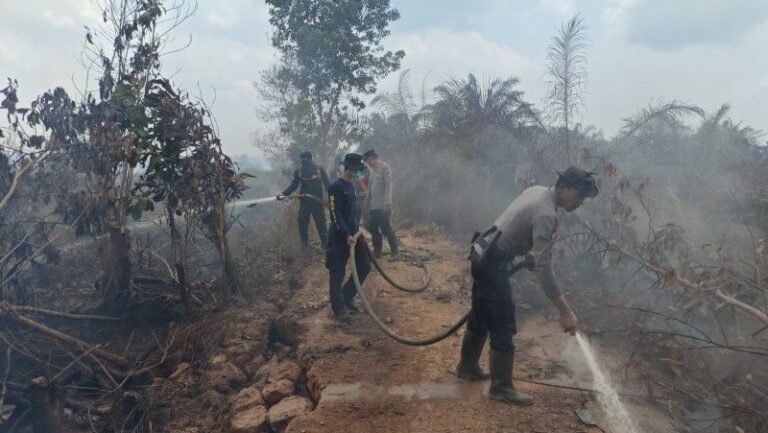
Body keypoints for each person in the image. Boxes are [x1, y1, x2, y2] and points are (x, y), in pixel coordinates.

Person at [454, 167, 599, 406]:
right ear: (563, 187)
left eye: (583, 198)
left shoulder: (537, 191)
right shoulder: (546, 214)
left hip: (482, 253)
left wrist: (526, 252)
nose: (580, 202)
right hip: (493, 263)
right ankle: (501, 387)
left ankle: (467, 366)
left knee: (481, 313)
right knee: (503, 323)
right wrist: (565, 311)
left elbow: (516, 226)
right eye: (578, 195)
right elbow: (544, 268)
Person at [326, 153, 371, 322]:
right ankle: (338, 309)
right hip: (339, 237)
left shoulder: (352, 186)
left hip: (354, 234)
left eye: (360, 170)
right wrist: (345, 234)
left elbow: (353, 213)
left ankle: (346, 296)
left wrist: (358, 232)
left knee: (365, 266)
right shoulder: (334, 188)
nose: (358, 173)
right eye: (356, 169)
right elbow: (335, 214)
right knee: (337, 273)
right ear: (349, 168)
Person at [278, 151, 330, 250]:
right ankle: (304, 246)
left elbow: (328, 185)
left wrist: (330, 200)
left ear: (310, 159)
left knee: (321, 223)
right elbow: (293, 185)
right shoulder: (299, 171)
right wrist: (283, 195)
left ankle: (325, 246)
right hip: (305, 202)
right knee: (302, 222)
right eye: (302, 160)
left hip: (317, 202)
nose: (303, 162)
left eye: (305, 159)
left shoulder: (319, 169)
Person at [362, 149, 399, 258]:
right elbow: (370, 189)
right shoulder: (372, 171)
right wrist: (366, 203)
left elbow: (389, 186)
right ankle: (377, 251)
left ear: (373, 158)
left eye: (368, 160)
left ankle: (395, 252)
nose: (367, 163)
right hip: (374, 206)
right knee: (373, 228)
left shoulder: (385, 168)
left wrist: (388, 203)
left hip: (383, 206)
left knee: (386, 228)